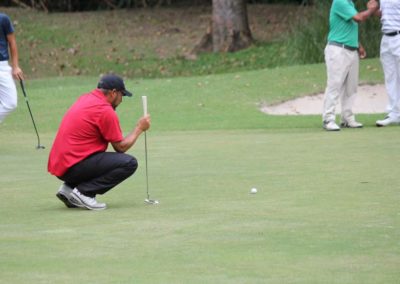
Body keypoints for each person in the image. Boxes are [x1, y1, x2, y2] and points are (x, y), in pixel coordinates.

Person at [48, 74, 151, 210]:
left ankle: (69, 188)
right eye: (122, 95)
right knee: (129, 163)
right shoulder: (104, 110)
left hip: (61, 165)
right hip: (72, 165)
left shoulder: (85, 98)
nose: (121, 100)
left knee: (97, 156)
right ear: (114, 93)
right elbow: (120, 147)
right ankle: (85, 193)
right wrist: (139, 128)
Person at [322, 0, 379, 131]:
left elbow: (348, 27)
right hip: (337, 49)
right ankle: (328, 118)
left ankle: (347, 117)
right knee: (334, 85)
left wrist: (358, 45)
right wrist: (371, 9)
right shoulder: (339, 2)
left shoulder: (349, 3)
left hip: (351, 50)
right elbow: (358, 18)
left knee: (351, 87)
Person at [375, 0, 400, 127]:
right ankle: (394, 113)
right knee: (390, 77)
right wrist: (374, 10)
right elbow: (383, 14)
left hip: (398, 36)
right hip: (386, 37)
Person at [0, 12, 24, 123]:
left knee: (11, 102)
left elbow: (12, 42)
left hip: (2, 66)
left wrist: (15, 67)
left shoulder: (3, 19)